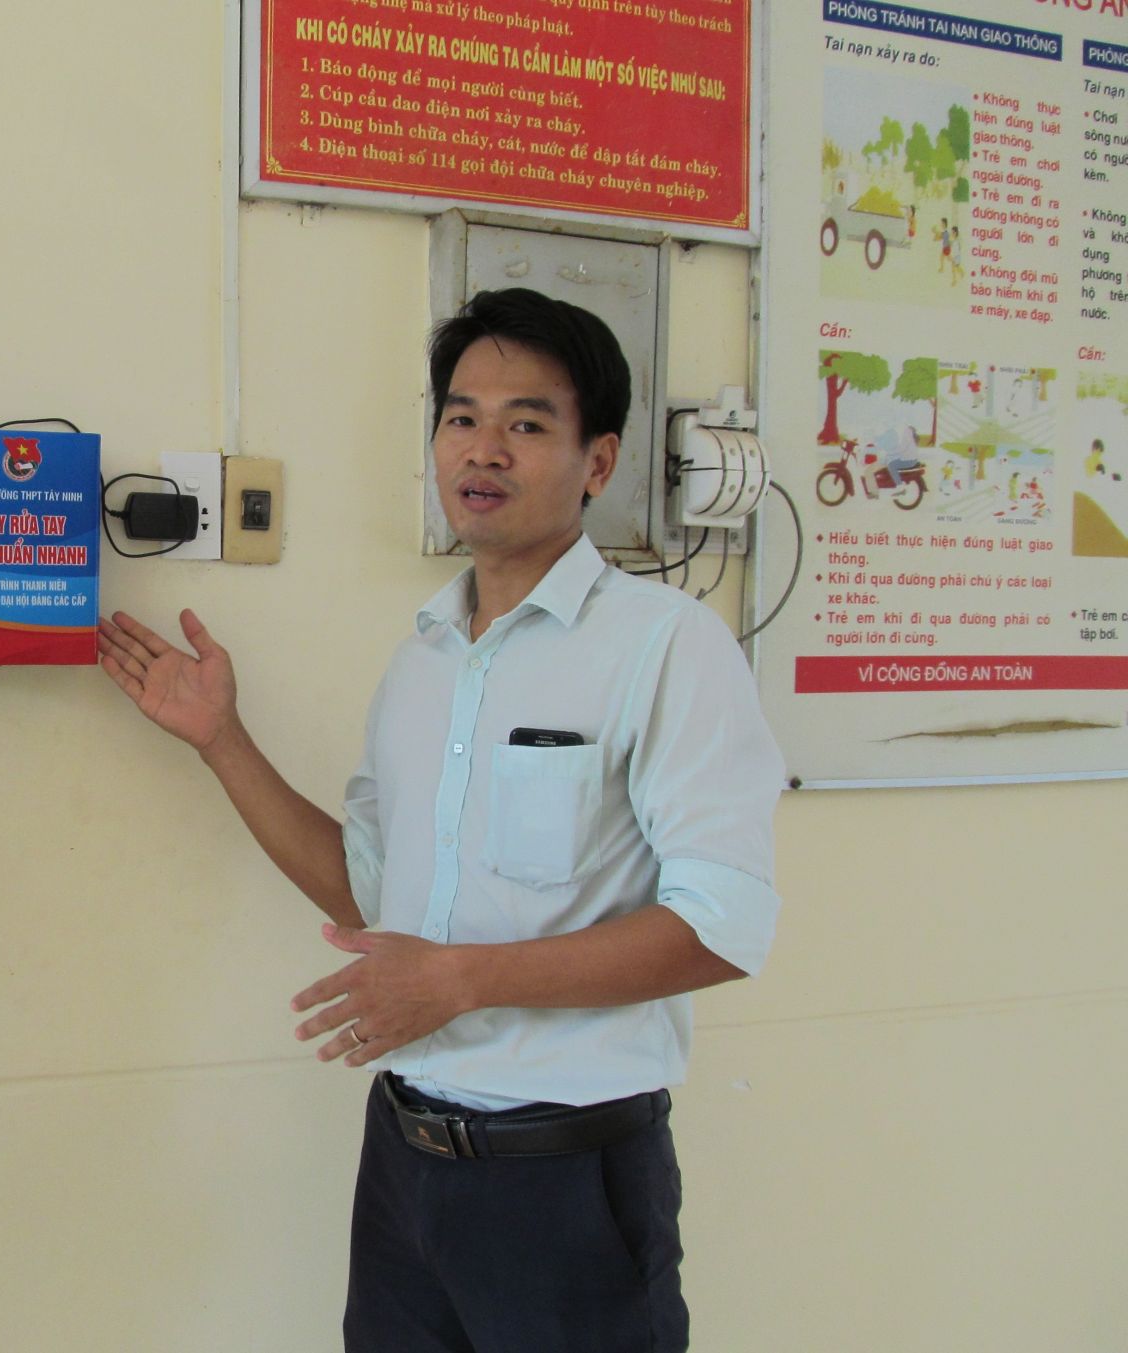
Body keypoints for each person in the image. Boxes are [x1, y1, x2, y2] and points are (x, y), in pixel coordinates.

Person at [98, 288, 783, 1352]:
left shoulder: (666, 647)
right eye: (461, 417)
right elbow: (370, 892)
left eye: (528, 423)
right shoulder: (422, 658)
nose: (484, 448)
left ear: (598, 462)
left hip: (567, 1182)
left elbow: (723, 927)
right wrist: (222, 740)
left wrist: (461, 980)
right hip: (404, 1162)